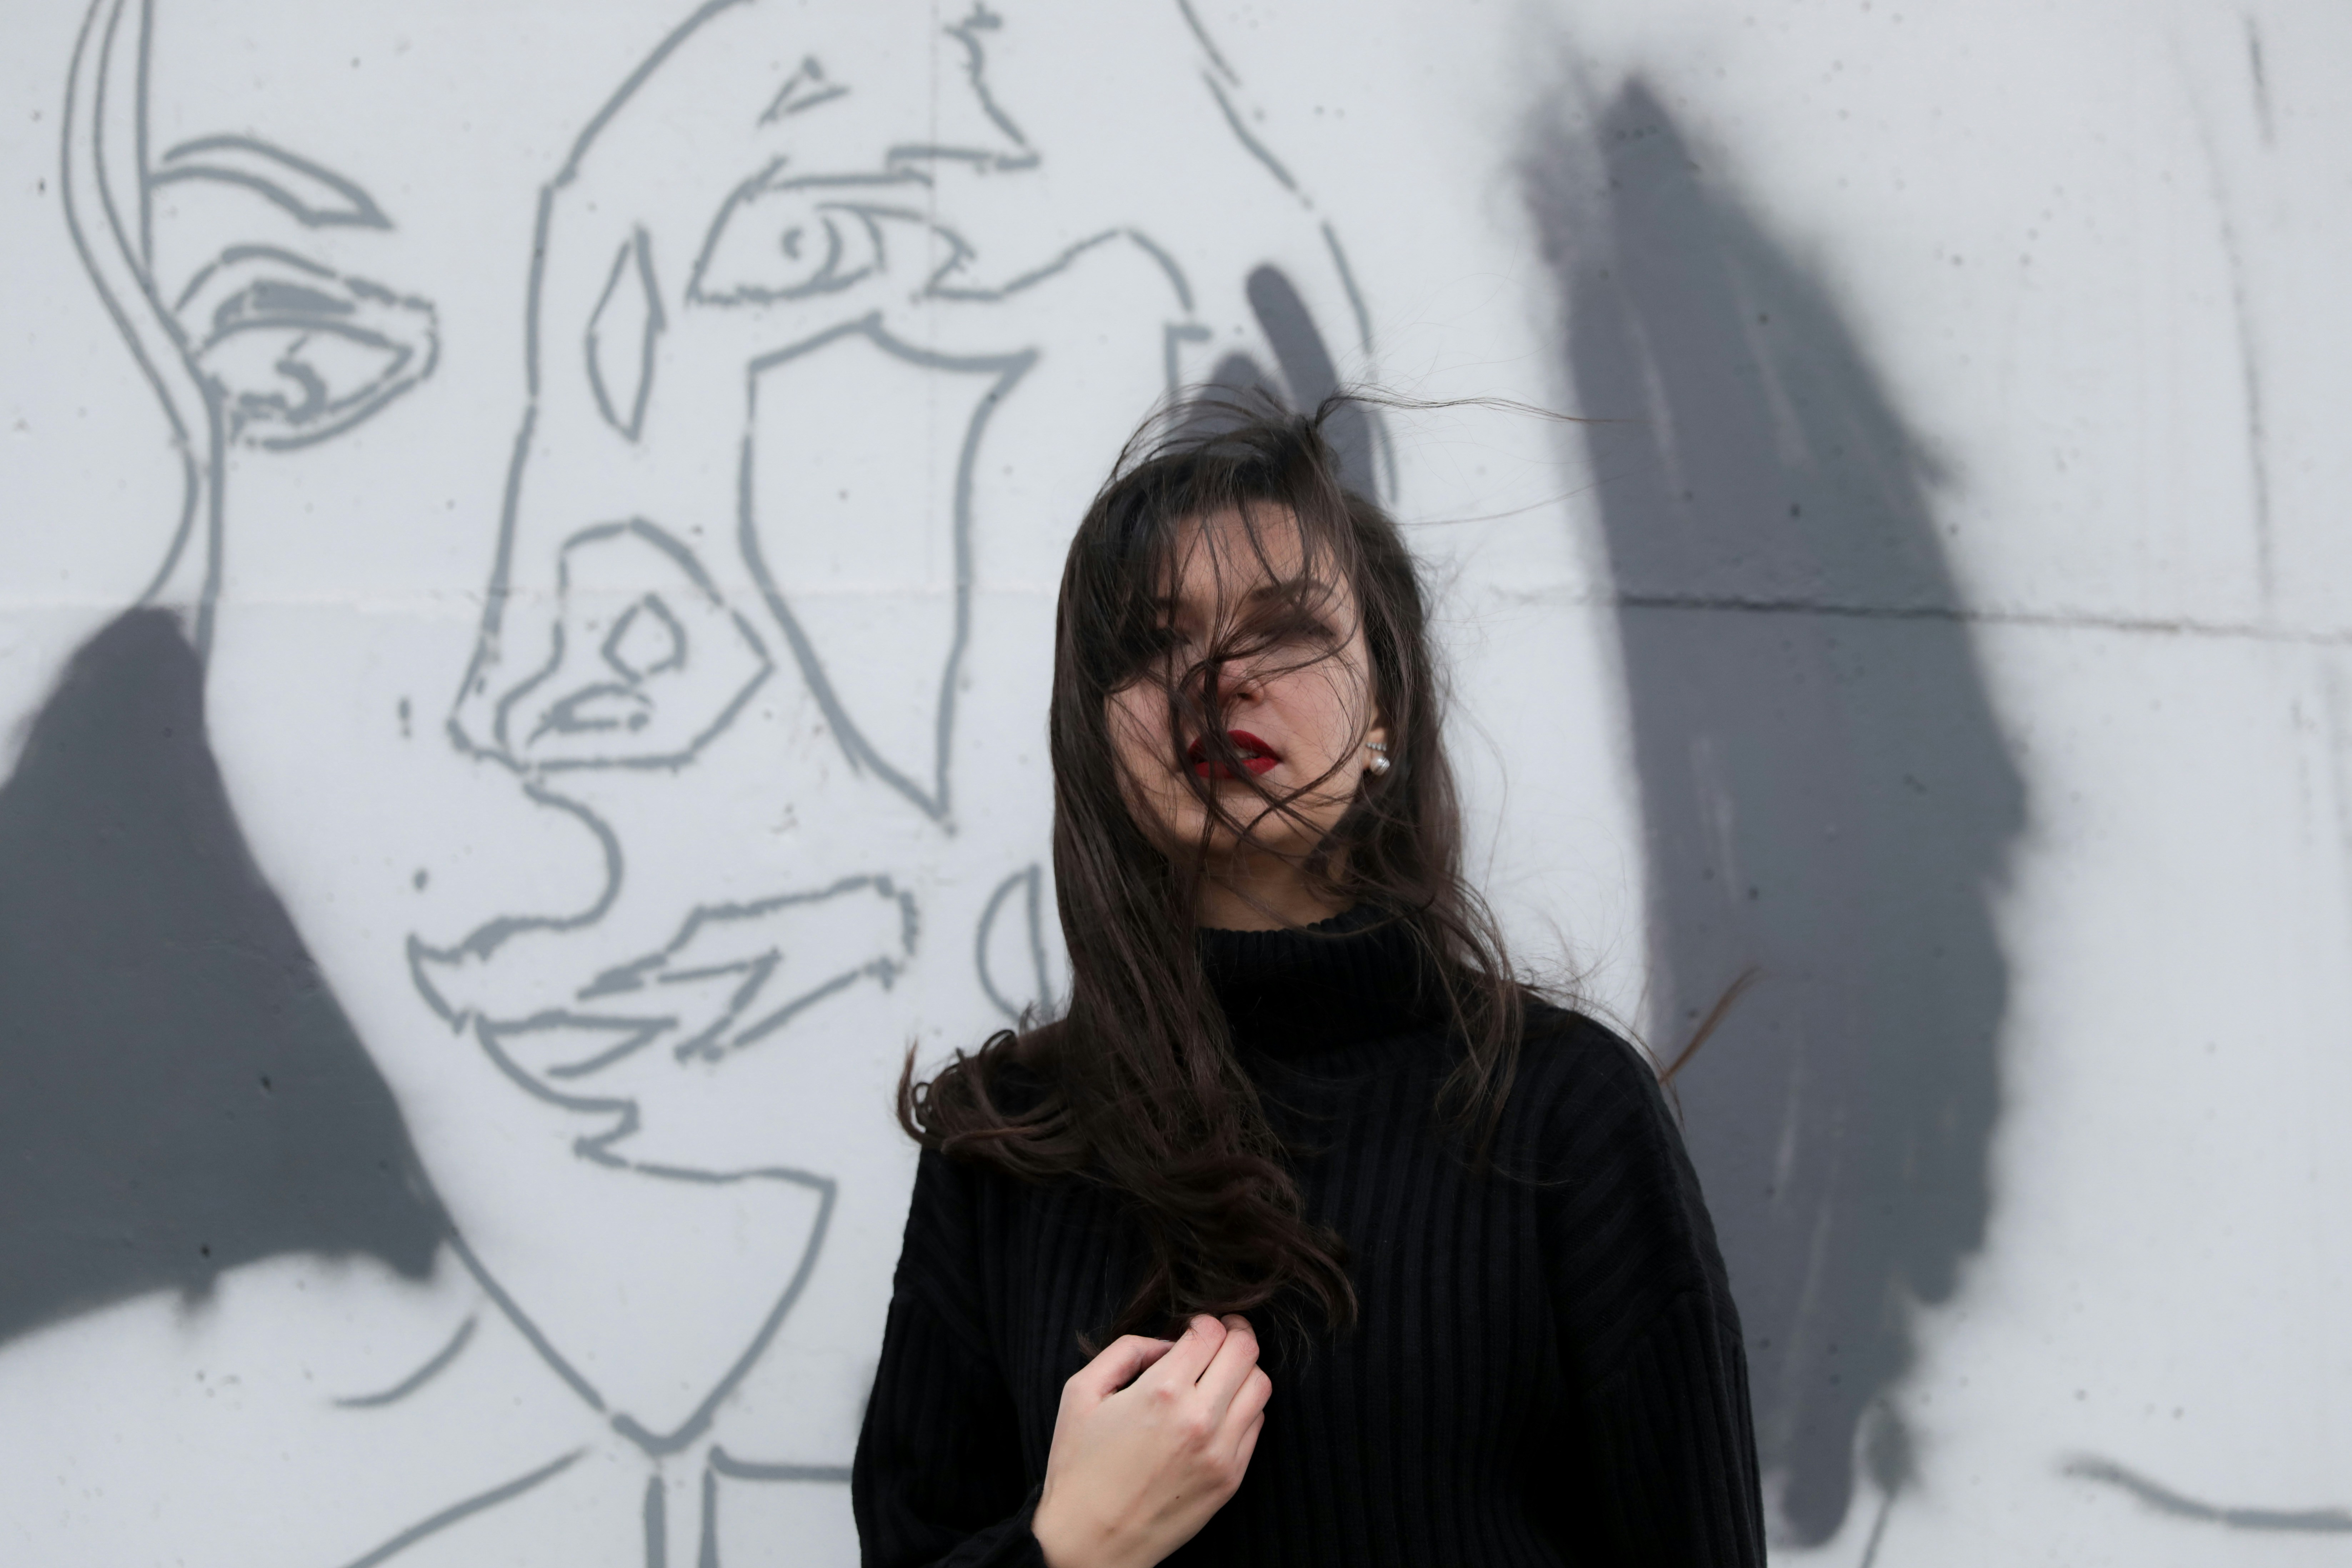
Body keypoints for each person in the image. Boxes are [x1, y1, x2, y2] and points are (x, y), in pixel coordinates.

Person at [851, 396, 1765, 1566]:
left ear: (1383, 700)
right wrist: (1073, 1546)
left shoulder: (1562, 1109)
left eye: (1283, 628)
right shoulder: (1007, 1146)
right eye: (1147, 641)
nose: (1216, 677)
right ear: (1096, 733)